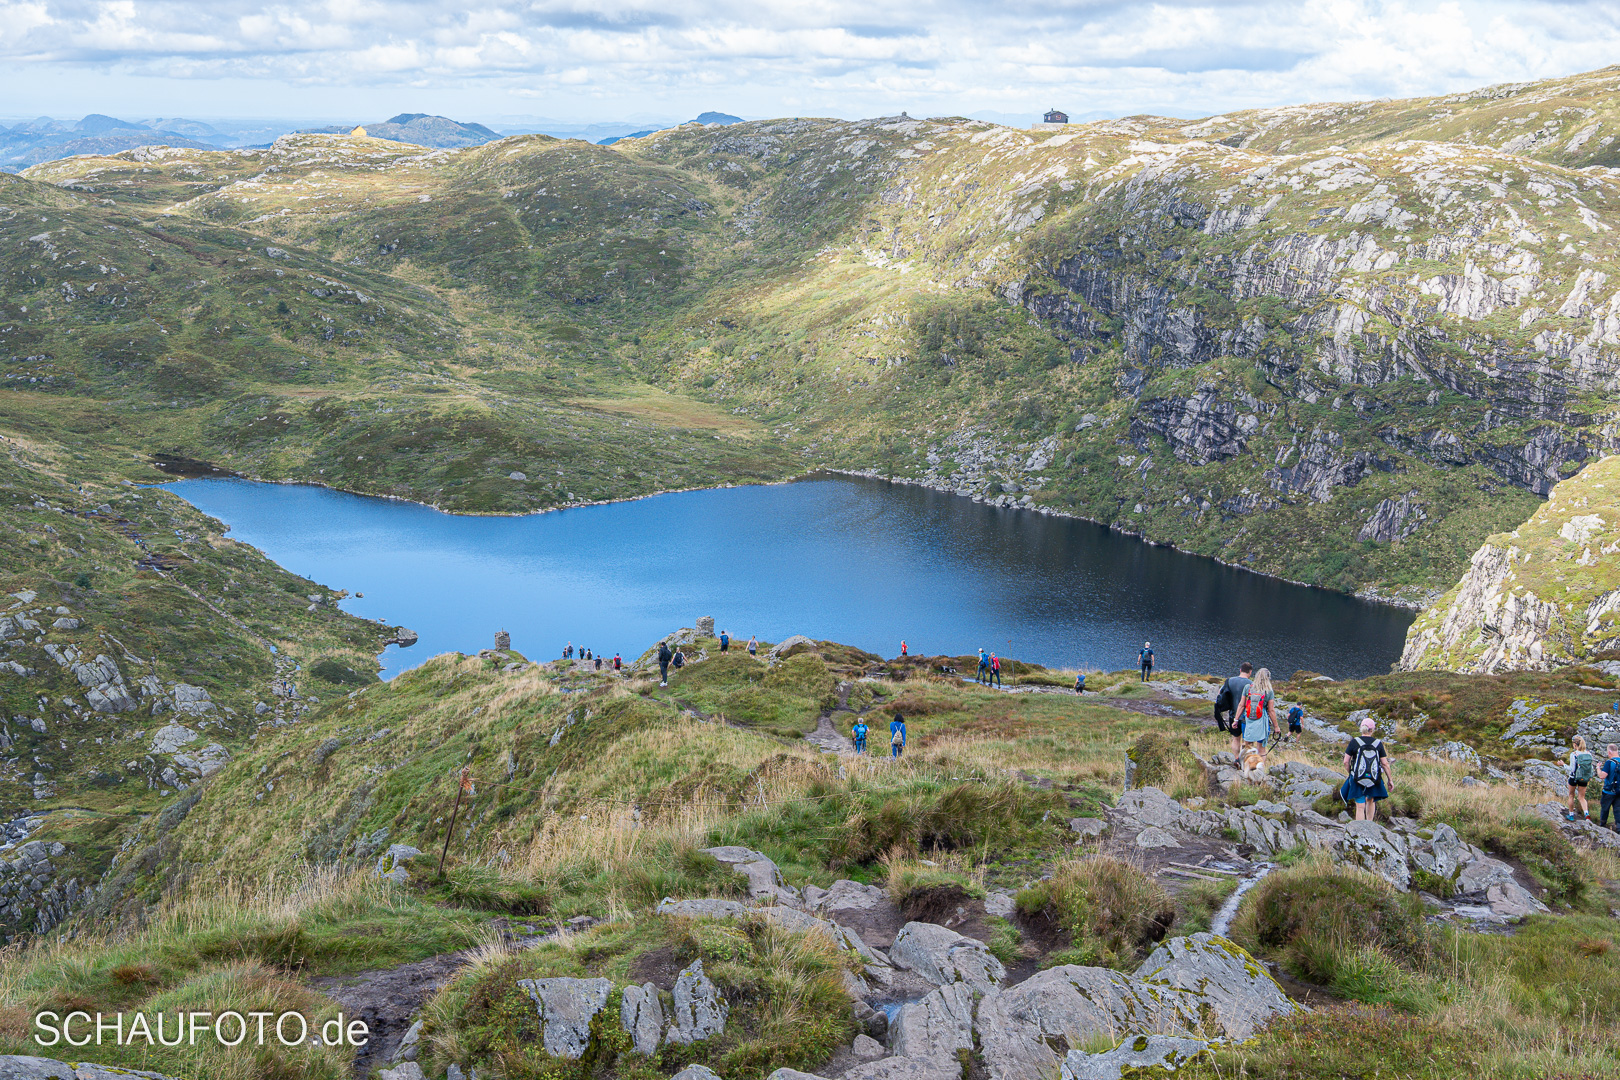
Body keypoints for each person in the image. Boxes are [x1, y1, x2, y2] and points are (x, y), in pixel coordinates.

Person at [1343, 717, 1393, 821]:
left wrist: (1351, 773)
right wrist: (1390, 780)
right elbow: (1385, 764)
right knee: (1371, 800)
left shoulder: (1354, 742)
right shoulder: (1378, 743)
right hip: (1373, 778)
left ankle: (1360, 829)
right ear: (1372, 730)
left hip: (1357, 777)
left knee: (1360, 806)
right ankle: (1370, 825)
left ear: (1361, 728)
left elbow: (1346, 761)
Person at [1239, 667, 1277, 768]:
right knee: (1261, 749)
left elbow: (1242, 705)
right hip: (1261, 721)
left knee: (1247, 746)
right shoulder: (1269, 691)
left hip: (1248, 720)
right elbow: (1271, 710)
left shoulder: (1248, 687)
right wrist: (1276, 727)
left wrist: (1236, 719)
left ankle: (1246, 767)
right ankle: (1260, 770)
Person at [1217, 663, 1253, 754]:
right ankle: (1246, 759)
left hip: (1233, 715)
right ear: (1250, 672)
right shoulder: (1251, 684)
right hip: (1247, 717)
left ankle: (1236, 759)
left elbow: (1220, 693)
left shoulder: (1230, 681)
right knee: (1248, 741)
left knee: (1236, 739)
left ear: (1240, 670)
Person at [1567, 735, 1596, 822]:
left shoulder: (1574, 754)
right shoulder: (1588, 754)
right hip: (1584, 777)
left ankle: (1571, 815)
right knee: (1581, 797)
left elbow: (1572, 769)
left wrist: (1563, 765)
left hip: (1574, 778)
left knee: (1571, 795)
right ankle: (1586, 814)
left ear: (1575, 744)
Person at [1599, 744, 1620, 831]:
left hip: (1608, 791)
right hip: (1619, 791)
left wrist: (1598, 768)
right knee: (1618, 810)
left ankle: (1602, 827)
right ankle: (1618, 829)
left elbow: (1602, 776)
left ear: (1609, 752)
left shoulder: (1609, 762)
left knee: (1605, 809)